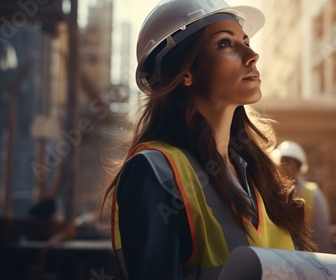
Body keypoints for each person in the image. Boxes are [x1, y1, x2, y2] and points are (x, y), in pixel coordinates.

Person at [101, 0, 316, 279]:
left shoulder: (258, 173)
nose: (252, 54)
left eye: (246, 41)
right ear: (186, 72)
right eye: (225, 44)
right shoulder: (154, 171)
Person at [273, 140, 332, 252]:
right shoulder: (272, 193)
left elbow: (322, 232)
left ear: (298, 166)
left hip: (306, 258)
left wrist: (322, 263)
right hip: (279, 258)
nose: (282, 165)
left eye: (288, 161)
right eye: (281, 160)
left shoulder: (314, 194)